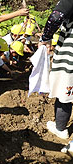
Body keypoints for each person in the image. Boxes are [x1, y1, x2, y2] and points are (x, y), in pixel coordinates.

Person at [38, 0, 73, 150]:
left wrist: (46, 37)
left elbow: (56, 16)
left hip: (70, 55)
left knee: (64, 91)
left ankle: (61, 129)